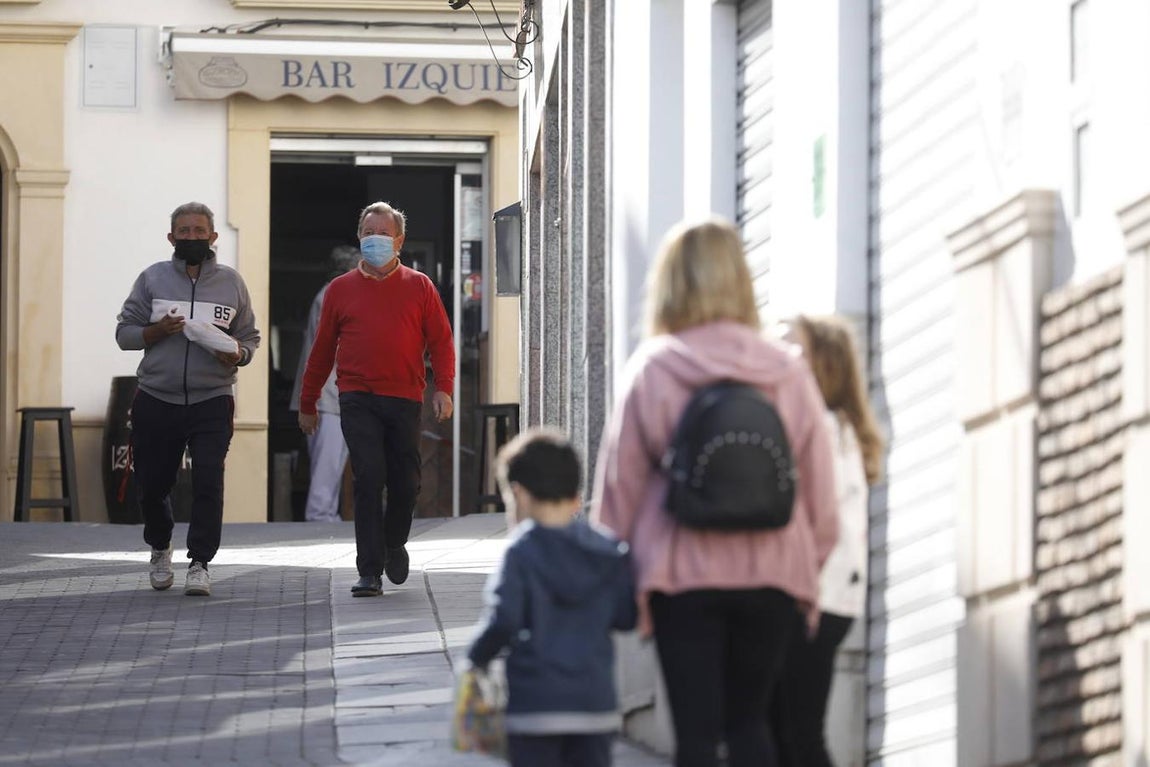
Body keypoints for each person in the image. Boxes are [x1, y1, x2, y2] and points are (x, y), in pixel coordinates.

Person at [590, 217, 839, 767]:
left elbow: (619, 490)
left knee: (697, 737)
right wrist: (804, 565)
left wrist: (615, 575)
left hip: (681, 577)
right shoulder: (786, 370)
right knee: (752, 724)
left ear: (670, 283)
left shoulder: (655, 367)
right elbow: (823, 495)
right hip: (773, 575)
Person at [297, 201, 455, 597]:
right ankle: (368, 571)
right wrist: (308, 402)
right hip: (357, 397)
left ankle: (394, 542)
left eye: (384, 234)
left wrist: (444, 388)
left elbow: (441, 341)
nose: (375, 240)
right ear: (359, 237)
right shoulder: (339, 290)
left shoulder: (420, 286)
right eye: (369, 233)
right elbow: (321, 351)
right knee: (368, 478)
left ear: (399, 241)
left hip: (404, 398)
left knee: (406, 481)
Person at [467, 428, 638, 767]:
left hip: (535, 706)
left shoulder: (521, 552)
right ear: (575, 495)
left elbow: (503, 621)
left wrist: (475, 659)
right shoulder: (607, 550)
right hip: (594, 705)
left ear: (519, 494)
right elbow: (626, 616)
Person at [115, 201, 260, 597]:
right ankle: (160, 545)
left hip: (212, 398)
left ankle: (200, 562)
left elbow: (249, 339)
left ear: (212, 237)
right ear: (171, 237)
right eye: (184, 231)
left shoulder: (231, 283)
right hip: (157, 398)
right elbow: (125, 334)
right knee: (153, 484)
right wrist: (156, 331)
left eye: (199, 231)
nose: (192, 237)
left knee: (209, 479)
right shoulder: (152, 279)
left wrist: (237, 354)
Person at [770, 315, 884, 767]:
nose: (779, 357)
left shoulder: (825, 429)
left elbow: (819, 521)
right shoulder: (831, 427)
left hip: (816, 596)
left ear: (824, 364)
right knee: (785, 733)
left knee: (797, 734)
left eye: (792, 347)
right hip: (821, 595)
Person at [288, 245, 360, 522]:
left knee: (333, 463)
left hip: (333, 397)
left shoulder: (332, 294)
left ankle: (326, 517)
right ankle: (320, 519)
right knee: (326, 466)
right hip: (325, 397)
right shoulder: (331, 295)